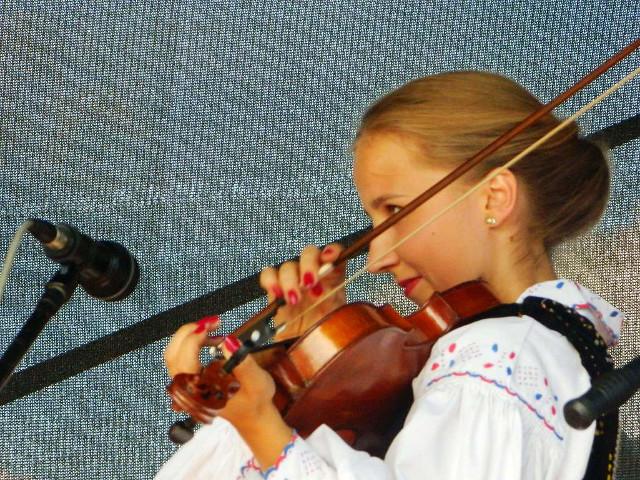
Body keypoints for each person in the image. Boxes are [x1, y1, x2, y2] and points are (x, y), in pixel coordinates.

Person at [156, 71, 624, 479]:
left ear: (494, 198)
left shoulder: (497, 354)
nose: (377, 256)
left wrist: (259, 422)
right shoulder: (548, 352)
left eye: (396, 210)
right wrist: (305, 361)